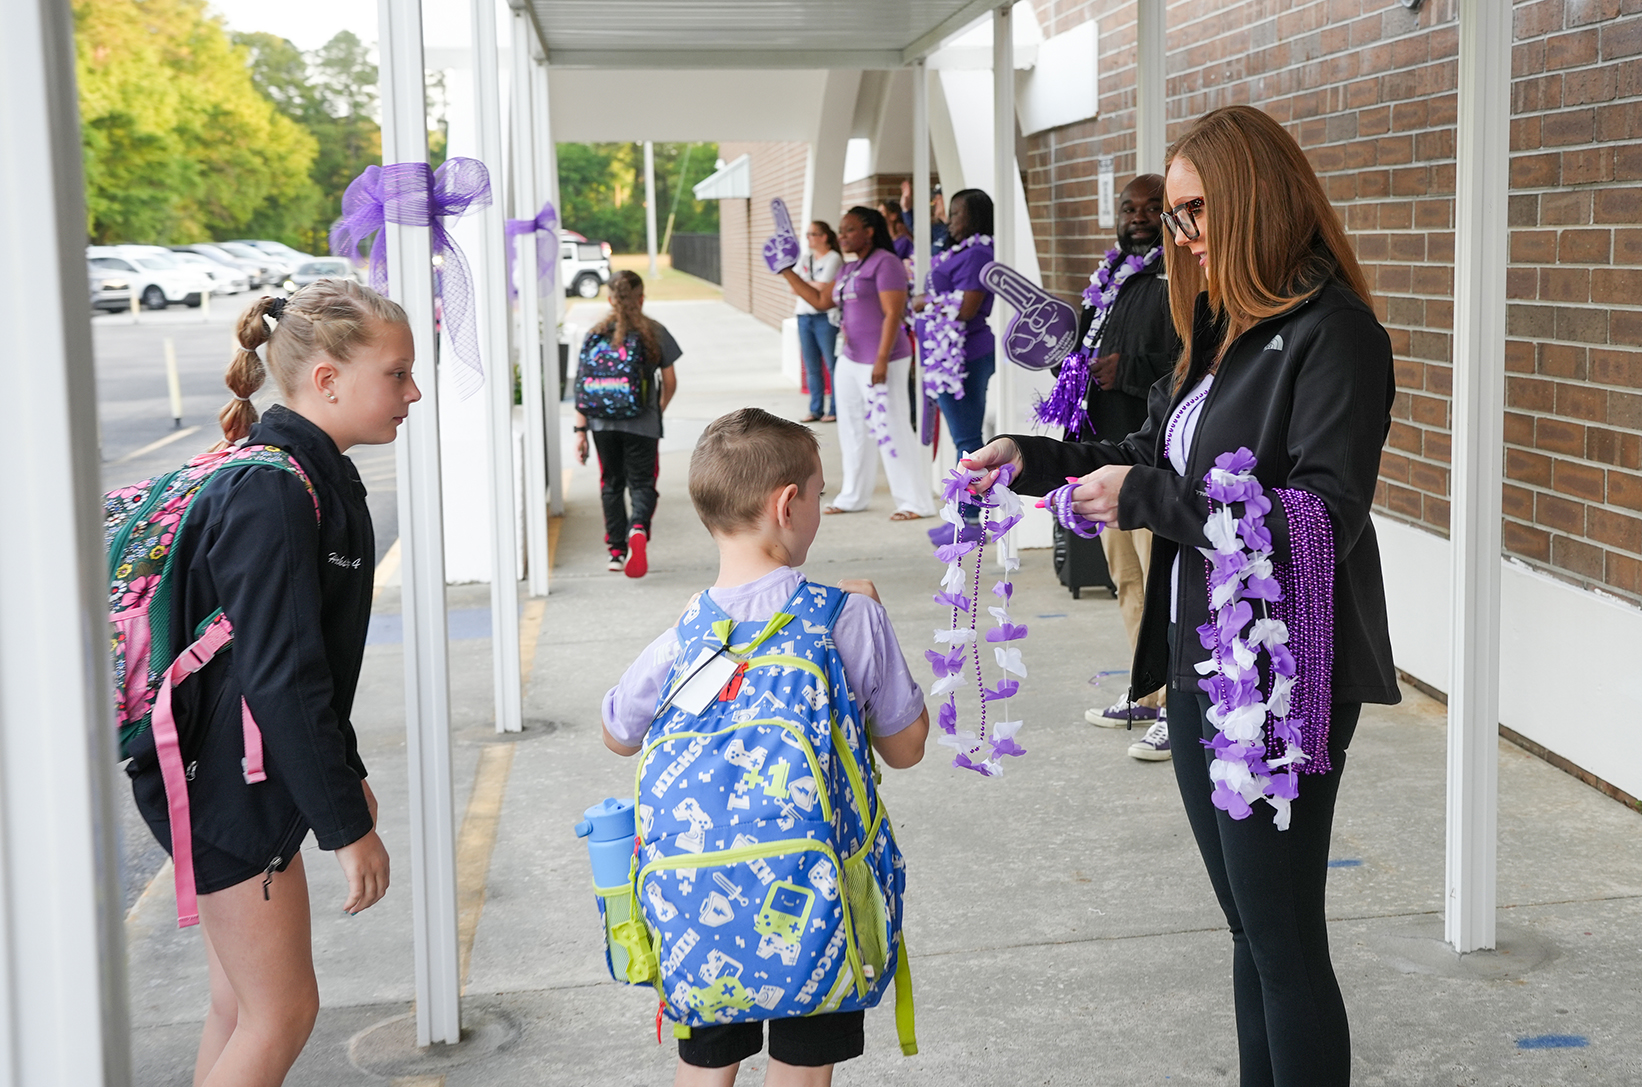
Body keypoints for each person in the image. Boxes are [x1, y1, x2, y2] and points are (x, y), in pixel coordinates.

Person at [965, 104, 1398, 1087]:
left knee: (1283, 945)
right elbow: (1147, 455)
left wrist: (1148, 498)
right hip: (1202, 665)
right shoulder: (1217, 331)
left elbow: (1322, 519)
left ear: (1257, 196)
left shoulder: (1336, 338)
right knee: (1250, 932)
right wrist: (1030, 459)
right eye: (1172, 216)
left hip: (1280, 680)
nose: (1182, 234)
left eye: (1197, 210)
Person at [600, 407, 930, 1087]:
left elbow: (617, 733)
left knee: (706, 1065)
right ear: (788, 504)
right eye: (817, 493)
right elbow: (906, 747)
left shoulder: (682, 639)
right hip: (815, 901)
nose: (817, 507)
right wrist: (876, 622)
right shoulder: (848, 617)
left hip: (697, 904)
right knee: (802, 1068)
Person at [124, 282, 402, 1086]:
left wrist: (342, 774)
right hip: (231, 792)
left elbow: (300, 661)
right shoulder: (277, 491)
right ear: (326, 381)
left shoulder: (307, 475)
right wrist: (346, 824)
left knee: (239, 1005)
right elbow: (284, 676)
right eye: (396, 373)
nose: (412, 391)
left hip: (218, 777)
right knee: (282, 1011)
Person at [1063, 174, 1180, 757]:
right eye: (1128, 208)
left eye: (1150, 208)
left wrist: (1126, 368)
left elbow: (1191, 361)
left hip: (1152, 463)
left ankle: (1177, 712)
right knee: (1127, 580)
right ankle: (1146, 691)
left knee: (1163, 586)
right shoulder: (1108, 278)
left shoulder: (1182, 275)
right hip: (1105, 455)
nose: (1138, 216)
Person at [778, 206, 935, 521]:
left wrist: (881, 360)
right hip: (849, 358)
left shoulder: (886, 263)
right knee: (851, 427)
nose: (843, 236)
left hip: (882, 359)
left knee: (892, 426)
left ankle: (915, 501)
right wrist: (786, 271)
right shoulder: (849, 269)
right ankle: (853, 495)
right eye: (841, 230)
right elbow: (822, 301)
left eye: (850, 229)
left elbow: (893, 313)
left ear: (869, 231)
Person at [573, 269, 682, 577]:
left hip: (601, 424)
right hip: (642, 424)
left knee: (611, 483)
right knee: (643, 482)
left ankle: (616, 551)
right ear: (642, 297)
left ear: (609, 298)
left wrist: (581, 431)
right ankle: (638, 528)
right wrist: (657, 409)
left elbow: (582, 386)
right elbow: (671, 381)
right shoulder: (654, 332)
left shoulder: (595, 333)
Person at [911, 188, 995, 521]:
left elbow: (965, 308)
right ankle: (966, 514)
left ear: (975, 216)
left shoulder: (977, 254)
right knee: (963, 436)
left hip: (963, 359)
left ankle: (972, 517)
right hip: (947, 356)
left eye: (958, 213)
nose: (951, 219)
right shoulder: (959, 251)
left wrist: (924, 302)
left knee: (967, 438)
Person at [787, 220, 842, 423]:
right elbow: (793, 287)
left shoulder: (834, 258)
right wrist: (806, 285)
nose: (808, 238)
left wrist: (804, 285)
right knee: (811, 366)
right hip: (804, 316)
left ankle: (835, 409)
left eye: (812, 234)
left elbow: (822, 287)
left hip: (825, 317)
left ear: (824, 237)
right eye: (807, 234)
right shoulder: (806, 258)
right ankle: (815, 408)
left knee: (832, 363)